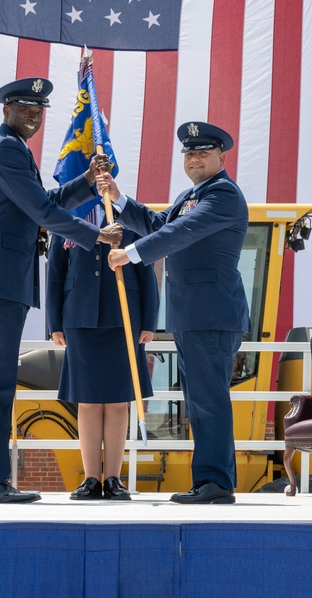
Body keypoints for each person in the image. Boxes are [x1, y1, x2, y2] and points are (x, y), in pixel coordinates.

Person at [0, 77, 123, 504]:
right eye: (26, 107)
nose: (35, 115)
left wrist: (86, 181)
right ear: (6, 109)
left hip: (3, 278)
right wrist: (95, 236)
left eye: (40, 109)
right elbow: (43, 210)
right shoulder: (6, 149)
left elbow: (44, 200)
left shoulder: (13, 148)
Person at [100, 121, 248, 504]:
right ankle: (208, 481)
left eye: (202, 151)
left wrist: (130, 255)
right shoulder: (190, 195)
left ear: (222, 157)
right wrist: (119, 200)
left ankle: (215, 483)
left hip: (211, 315)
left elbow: (178, 234)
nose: (194, 157)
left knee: (209, 399)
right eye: (188, 152)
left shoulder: (224, 195)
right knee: (199, 400)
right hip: (190, 315)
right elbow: (158, 223)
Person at [46, 207, 158, 501]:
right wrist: (54, 323)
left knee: (119, 403)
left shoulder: (130, 218)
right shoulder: (67, 220)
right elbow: (55, 274)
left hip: (124, 318)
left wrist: (149, 322)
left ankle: (113, 478)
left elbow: (147, 273)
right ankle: (91, 478)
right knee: (88, 402)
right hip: (80, 319)